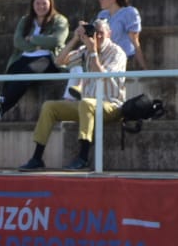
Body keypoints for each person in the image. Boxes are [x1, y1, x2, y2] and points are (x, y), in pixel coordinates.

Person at [18, 17, 126, 172]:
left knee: (86, 103)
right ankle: (36, 158)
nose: (98, 37)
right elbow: (59, 61)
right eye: (95, 33)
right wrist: (76, 38)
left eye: (101, 33)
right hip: (87, 106)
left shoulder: (117, 52)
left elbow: (101, 76)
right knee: (50, 106)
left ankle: (83, 158)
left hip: (111, 106)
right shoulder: (85, 50)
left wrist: (93, 52)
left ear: (110, 34)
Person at [0, 0, 68, 117]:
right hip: (24, 57)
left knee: (27, 72)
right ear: (32, 5)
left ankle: (2, 106)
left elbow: (57, 40)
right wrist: (40, 44)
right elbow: (18, 41)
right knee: (12, 72)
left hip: (48, 59)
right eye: (37, 3)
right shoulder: (25, 20)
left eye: (44, 3)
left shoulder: (59, 20)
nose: (41, 7)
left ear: (50, 4)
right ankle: (0, 104)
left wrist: (33, 39)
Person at [93, 0, 144, 71]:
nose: (100, 0)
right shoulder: (102, 15)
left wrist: (143, 66)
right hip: (105, 59)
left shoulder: (129, 12)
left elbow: (134, 40)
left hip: (125, 58)